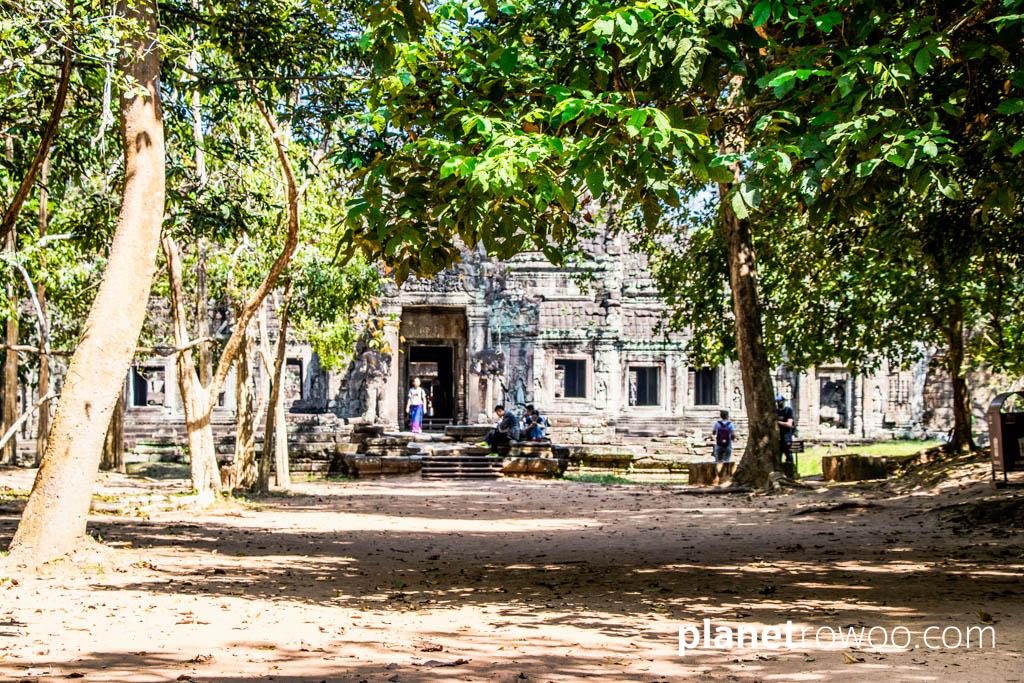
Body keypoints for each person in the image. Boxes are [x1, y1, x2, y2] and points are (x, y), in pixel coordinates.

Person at [776, 394, 795, 464]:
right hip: (778, 438)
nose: (779, 403)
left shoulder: (788, 410)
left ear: (783, 401)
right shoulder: (776, 411)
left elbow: (789, 424)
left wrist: (778, 422)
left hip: (786, 437)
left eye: (780, 401)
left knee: (788, 455)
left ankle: (791, 468)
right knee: (778, 457)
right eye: (778, 401)